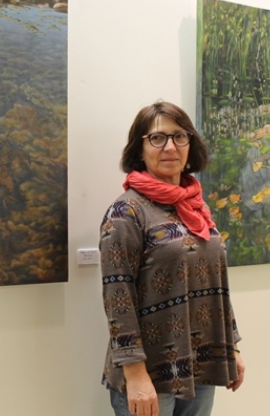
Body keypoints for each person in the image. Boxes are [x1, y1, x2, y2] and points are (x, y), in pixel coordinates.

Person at [99, 101, 245, 416]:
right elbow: (117, 294)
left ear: (190, 145)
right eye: (157, 138)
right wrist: (136, 374)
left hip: (200, 362)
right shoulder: (126, 212)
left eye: (180, 137)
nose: (170, 147)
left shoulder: (195, 205)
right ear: (139, 149)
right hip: (151, 371)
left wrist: (230, 345)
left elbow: (213, 277)